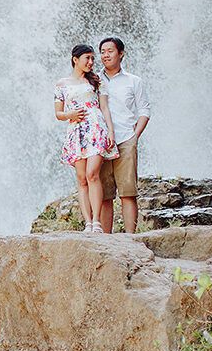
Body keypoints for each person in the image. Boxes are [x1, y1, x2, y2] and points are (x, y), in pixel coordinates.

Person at [54, 44, 118, 233]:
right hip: (76, 131)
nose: (91, 62)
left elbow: (105, 108)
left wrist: (111, 132)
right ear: (75, 59)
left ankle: (97, 221)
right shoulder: (61, 84)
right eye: (87, 58)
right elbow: (58, 113)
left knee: (92, 174)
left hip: (96, 128)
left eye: (92, 59)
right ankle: (88, 222)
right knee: (82, 179)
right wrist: (70, 114)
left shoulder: (97, 81)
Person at [97, 37, 150, 234]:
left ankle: (130, 239)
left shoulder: (133, 81)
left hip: (126, 139)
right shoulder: (94, 79)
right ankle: (107, 239)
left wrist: (135, 136)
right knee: (104, 194)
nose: (105, 55)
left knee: (128, 193)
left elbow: (144, 110)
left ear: (121, 53)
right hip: (100, 143)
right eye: (102, 51)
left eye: (110, 51)